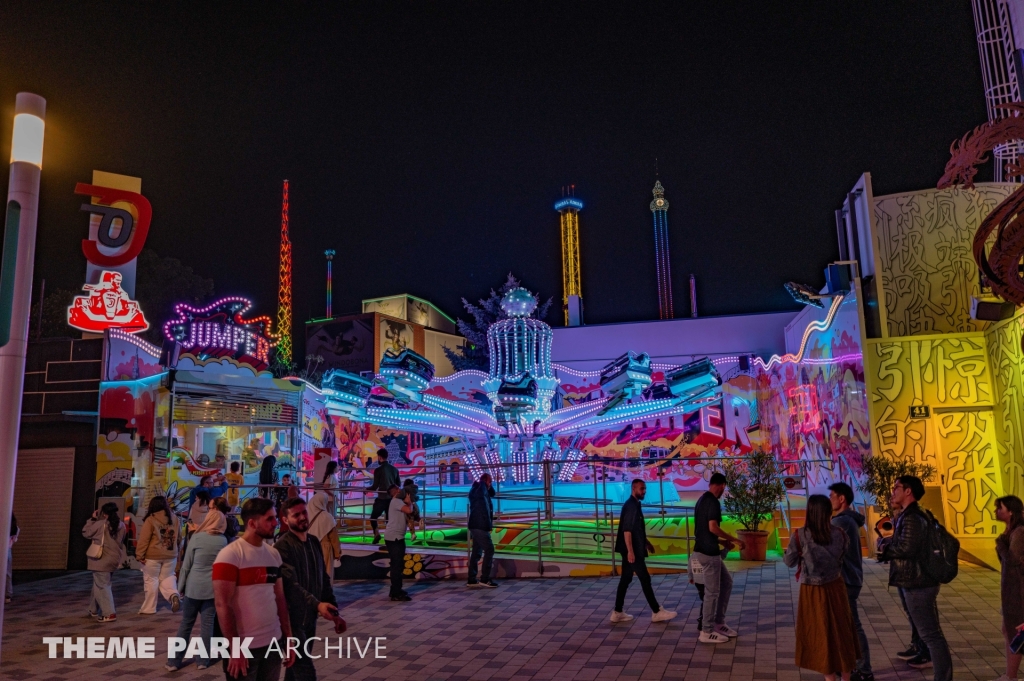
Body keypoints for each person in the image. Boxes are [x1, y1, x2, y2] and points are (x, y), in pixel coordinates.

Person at [213, 497, 294, 680]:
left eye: (276, 517)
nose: (276, 522)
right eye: (270, 519)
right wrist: (235, 649)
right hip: (244, 648)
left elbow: (280, 598)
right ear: (251, 523)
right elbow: (222, 605)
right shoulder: (230, 555)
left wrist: (288, 638)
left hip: (273, 643)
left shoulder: (273, 554)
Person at [880, 476, 952, 681]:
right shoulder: (910, 515)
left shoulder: (913, 517)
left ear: (908, 491)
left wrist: (886, 548)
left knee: (931, 635)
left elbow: (907, 548)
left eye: (897, 488)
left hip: (918, 583)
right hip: (914, 581)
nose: (893, 492)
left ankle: (943, 677)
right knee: (929, 632)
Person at [784, 494, 859, 680]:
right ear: (827, 511)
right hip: (836, 587)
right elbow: (844, 553)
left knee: (820, 632)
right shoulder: (840, 533)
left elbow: (789, 562)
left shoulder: (800, 535)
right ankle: (847, 677)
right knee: (842, 631)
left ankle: (830, 678)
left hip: (812, 590)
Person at [276, 497, 345, 681]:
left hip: (310, 619)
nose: (301, 517)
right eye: (295, 515)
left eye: (303, 512)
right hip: (291, 622)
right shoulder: (282, 546)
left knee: (294, 670)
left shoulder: (313, 541)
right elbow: (291, 587)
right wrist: (318, 605)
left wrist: (334, 610)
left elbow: (323, 579)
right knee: (306, 672)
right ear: (285, 520)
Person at [167, 508, 228, 672]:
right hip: (212, 588)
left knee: (186, 624)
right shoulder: (222, 541)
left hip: (193, 588)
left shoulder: (197, 538)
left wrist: (179, 588)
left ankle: (174, 661)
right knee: (207, 625)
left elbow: (186, 566)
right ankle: (203, 660)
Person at [611, 479, 676, 623]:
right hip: (632, 550)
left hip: (633, 548)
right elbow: (627, 531)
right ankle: (656, 611)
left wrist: (647, 543)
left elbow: (636, 530)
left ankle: (617, 611)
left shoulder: (634, 505)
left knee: (626, 579)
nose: (644, 491)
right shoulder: (631, 507)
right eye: (641, 489)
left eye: (645, 488)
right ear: (634, 489)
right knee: (645, 578)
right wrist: (630, 552)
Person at [692, 472, 743, 643]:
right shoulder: (713, 501)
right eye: (724, 487)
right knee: (712, 593)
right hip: (708, 554)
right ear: (722, 485)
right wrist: (733, 539)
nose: (723, 490)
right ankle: (706, 631)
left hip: (706, 551)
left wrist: (722, 542)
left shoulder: (701, 500)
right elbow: (712, 527)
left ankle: (719, 623)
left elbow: (705, 530)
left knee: (727, 583)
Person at [829, 482, 872, 681]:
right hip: (851, 577)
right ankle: (853, 666)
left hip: (846, 578)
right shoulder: (848, 520)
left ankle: (863, 670)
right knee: (847, 625)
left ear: (842, 499)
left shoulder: (841, 522)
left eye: (832, 496)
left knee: (853, 625)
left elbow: (828, 547)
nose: (830, 500)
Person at [136, 496, 182, 614]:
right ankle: (173, 595)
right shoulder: (175, 518)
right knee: (168, 577)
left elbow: (144, 539)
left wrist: (139, 555)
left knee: (151, 580)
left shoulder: (151, 519)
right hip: (171, 555)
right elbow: (179, 538)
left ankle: (149, 608)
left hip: (153, 556)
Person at [996, 495, 1024, 681]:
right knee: (1010, 630)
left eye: (1000, 507)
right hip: (1013, 590)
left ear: (1011, 511)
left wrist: (1000, 544)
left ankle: (1011, 676)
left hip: (1019, 592)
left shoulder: (1019, 532)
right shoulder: (1011, 531)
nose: (997, 511)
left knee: (1015, 632)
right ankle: (1010, 675)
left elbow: (1012, 560)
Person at [83, 502, 126, 622]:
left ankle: (109, 613)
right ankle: (93, 609)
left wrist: (92, 519)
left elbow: (86, 532)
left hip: (101, 559)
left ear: (104, 513)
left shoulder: (100, 524)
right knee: (99, 583)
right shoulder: (121, 525)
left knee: (103, 586)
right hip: (113, 559)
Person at [384, 485, 414, 601]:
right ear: (396, 491)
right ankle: (396, 592)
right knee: (397, 566)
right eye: (399, 488)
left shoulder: (396, 501)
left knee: (397, 564)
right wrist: (409, 502)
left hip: (396, 537)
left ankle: (395, 590)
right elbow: (409, 510)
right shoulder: (396, 501)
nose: (401, 490)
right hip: (394, 538)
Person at [467, 473, 497, 588]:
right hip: (480, 525)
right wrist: (485, 484)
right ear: (486, 482)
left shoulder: (478, 490)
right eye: (490, 481)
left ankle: (471, 579)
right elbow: (485, 506)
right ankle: (485, 579)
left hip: (475, 524)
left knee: (476, 552)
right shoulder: (480, 491)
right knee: (489, 549)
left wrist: (487, 485)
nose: (491, 484)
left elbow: (492, 494)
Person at [366, 448, 400, 544]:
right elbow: (398, 484)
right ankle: (390, 539)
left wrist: (366, 489)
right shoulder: (394, 469)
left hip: (381, 499)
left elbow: (374, 486)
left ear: (380, 457)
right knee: (389, 520)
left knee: (373, 517)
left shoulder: (378, 470)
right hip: (391, 499)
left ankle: (377, 534)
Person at [307, 490, 341, 569]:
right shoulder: (327, 517)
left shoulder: (306, 515)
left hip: (310, 548)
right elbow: (334, 537)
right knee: (326, 573)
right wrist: (337, 553)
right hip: (325, 549)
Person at [6, 513, 18, 604]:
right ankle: (8, 594)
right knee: (8, 574)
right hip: (8, 550)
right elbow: (14, 540)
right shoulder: (15, 528)